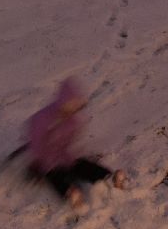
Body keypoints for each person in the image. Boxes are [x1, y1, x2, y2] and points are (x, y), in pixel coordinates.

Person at [21, 78, 126, 209]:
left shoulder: (73, 120)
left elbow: (70, 140)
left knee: (82, 165)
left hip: (63, 155)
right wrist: (40, 162)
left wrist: (67, 154)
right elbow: (37, 144)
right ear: (62, 103)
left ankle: (109, 177)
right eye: (69, 108)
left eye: (75, 108)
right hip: (47, 159)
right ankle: (71, 193)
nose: (71, 112)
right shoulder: (40, 119)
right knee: (55, 176)